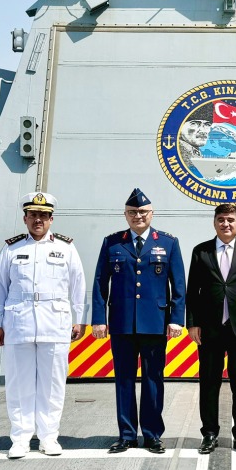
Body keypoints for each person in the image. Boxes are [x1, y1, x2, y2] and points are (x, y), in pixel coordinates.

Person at [0, 192, 86, 459]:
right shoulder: (12, 248)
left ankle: (48, 436)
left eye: (43, 215)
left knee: (52, 383)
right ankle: (20, 437)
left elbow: (78, 285)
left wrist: (78, 319)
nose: (38, 220)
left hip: (54, 322)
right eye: (33, 215)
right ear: (25, 218)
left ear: (51, 219)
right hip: (18, 322)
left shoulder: (66, 248)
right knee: (19, 383)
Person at [91, 188, 185, 454]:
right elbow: (100, 283)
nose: (138, 216)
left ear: (151, 214)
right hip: (121, 322)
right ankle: (127, 435)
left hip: (155, 322)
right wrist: (99, 318)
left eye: (143, 212)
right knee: (123, 379)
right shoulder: (112, 243)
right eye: (132, 212)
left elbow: (178, 284)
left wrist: (176, 318)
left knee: (153, 379)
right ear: (125, 215)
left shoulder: (167, 242)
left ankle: (153, 434)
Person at [186, 203, 236, 456]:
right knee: (209, 382)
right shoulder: (201, 251)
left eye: (231, 220)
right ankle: (209, 434)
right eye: (221, 219)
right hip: (209, 328)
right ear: (214, 223)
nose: (226, 224)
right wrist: (192, 323)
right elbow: (192, 292)